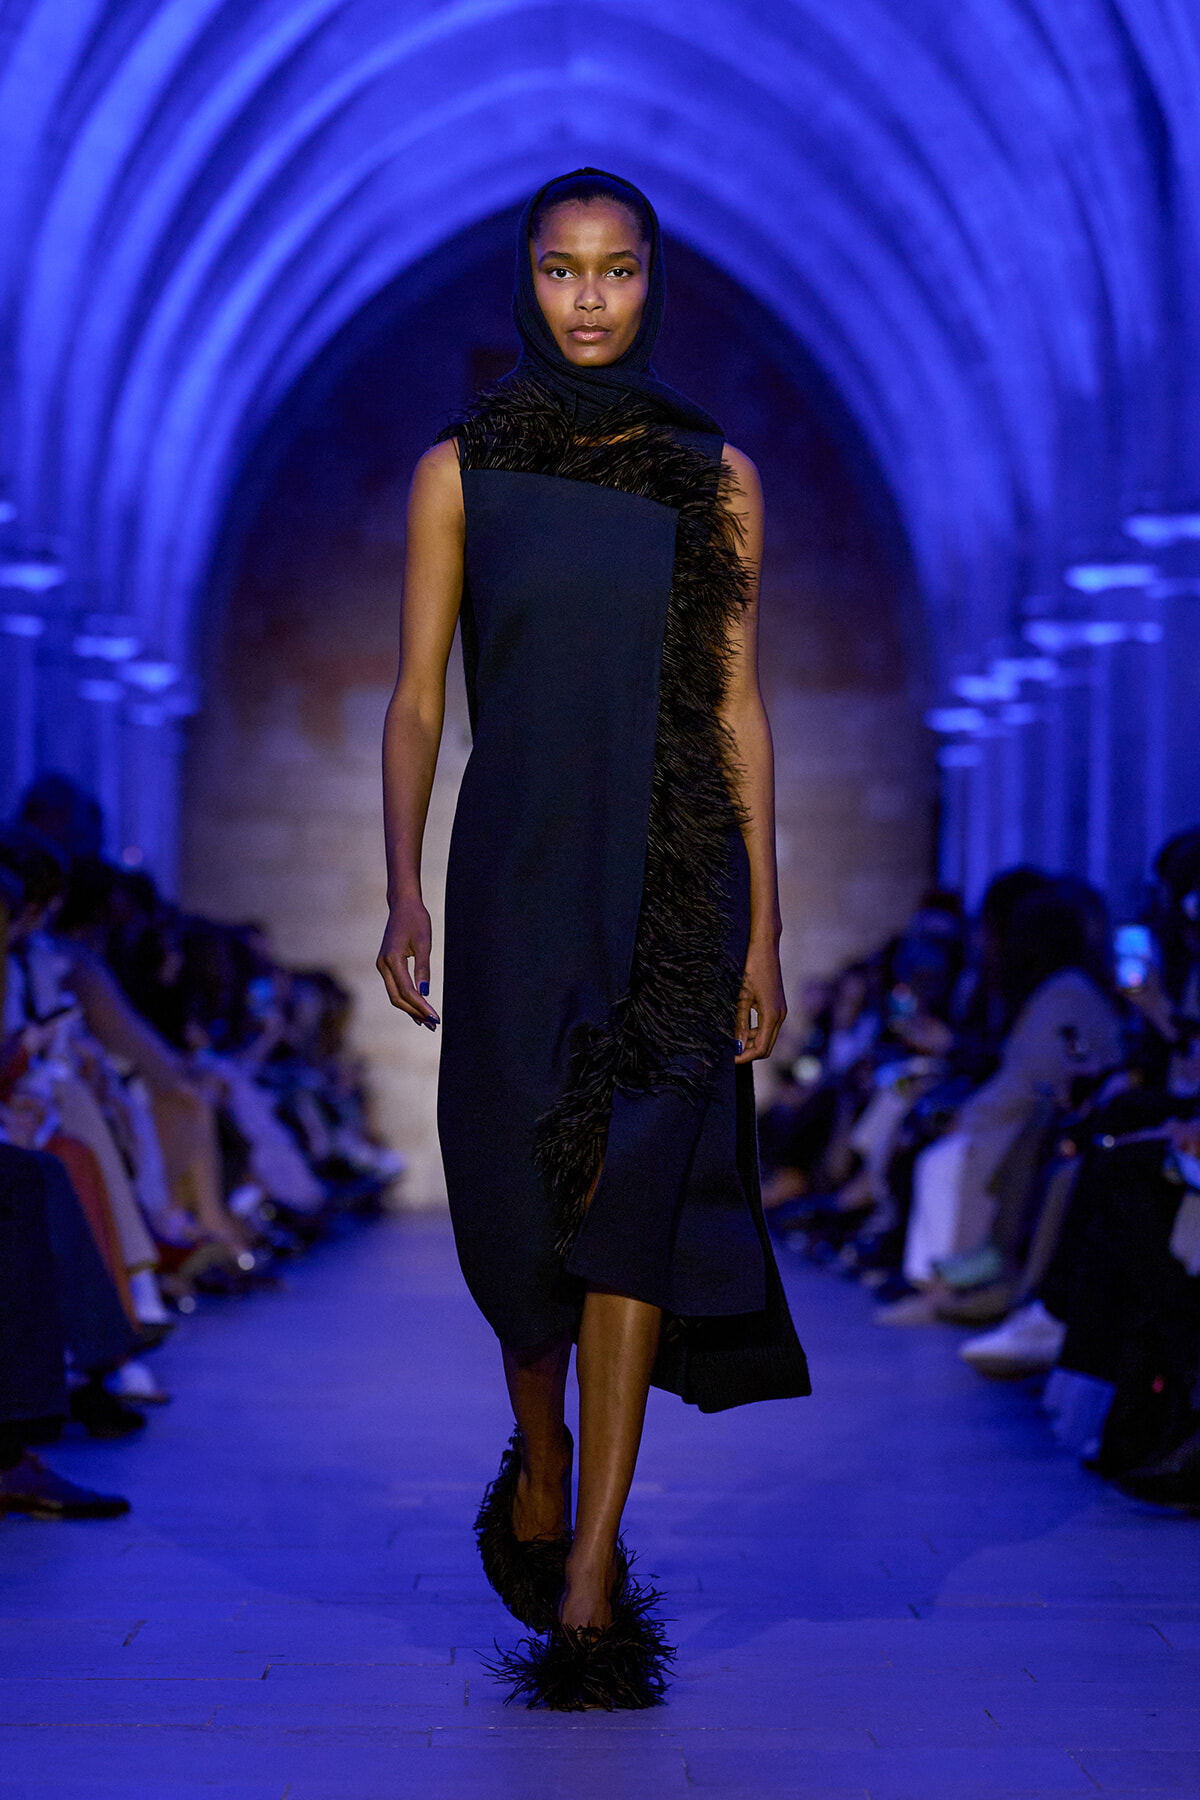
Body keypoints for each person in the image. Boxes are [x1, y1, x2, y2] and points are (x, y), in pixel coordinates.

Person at [377, 168, 810, 1708]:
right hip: (515, 872)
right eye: (563, 270)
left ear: (651, 285)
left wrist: (766, 924)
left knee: (635, 1196)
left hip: (679, 878)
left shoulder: (719, 476)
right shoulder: (459, 473)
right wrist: (405, 885)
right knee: (516, 1201)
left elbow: (737, 707)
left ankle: (588, 1571)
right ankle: (541, 1449)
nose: (589, 298)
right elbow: (421, 696)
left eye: (617, 270)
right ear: (528, 283)